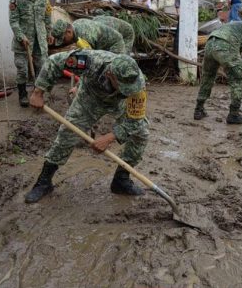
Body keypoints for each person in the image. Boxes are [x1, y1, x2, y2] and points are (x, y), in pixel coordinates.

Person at [24, 50, 149, 203]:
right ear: (111, 74)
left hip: (120, 103)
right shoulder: (91, 61)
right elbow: (54, 61)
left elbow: (136, 120)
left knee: (141, 133)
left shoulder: (137, 84)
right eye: (123, 85)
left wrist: (110, 137)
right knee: (67, 134)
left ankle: (121, 180)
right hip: (89, 98)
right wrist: (38, 92)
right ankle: (44, 182)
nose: (128, 88)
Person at [9, 0, 53, 107]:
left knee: (41, 69)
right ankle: (22, 95)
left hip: (40, 41)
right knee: (22, 69)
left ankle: (37, 94)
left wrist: (49, 33)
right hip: (23, 42)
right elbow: (14, 21)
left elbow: (47, 17)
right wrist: (21, 36)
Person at [51, 18, 126, 54]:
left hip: (115, 44)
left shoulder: (85, 35)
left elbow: (93, 58)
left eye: (63, 39)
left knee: (114, 69)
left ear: (69, 32)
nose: (64, 42)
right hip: (102, 44)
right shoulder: (75, 26)